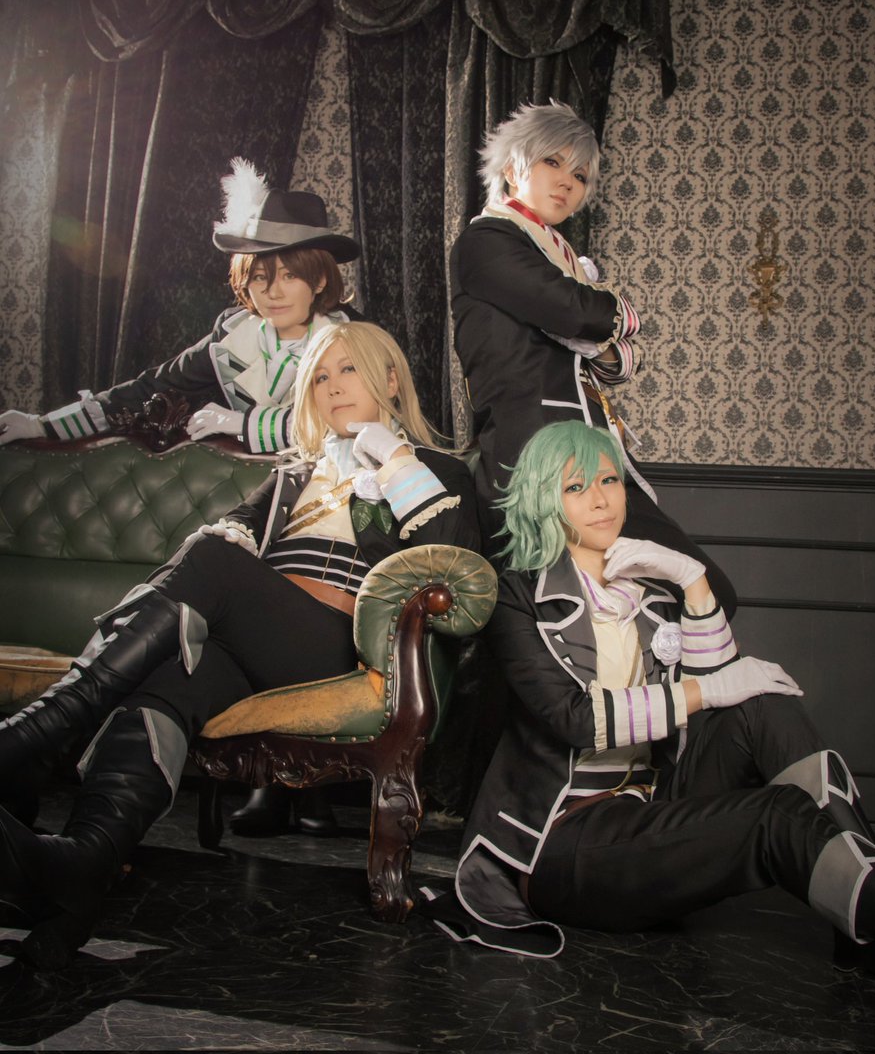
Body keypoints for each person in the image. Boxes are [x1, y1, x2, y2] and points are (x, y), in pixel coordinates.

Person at [0, 322, 480, 969]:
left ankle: (34, 736)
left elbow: (454, 565)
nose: (333, 387)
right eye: (319, 377)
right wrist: (236, 536)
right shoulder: (294, 473)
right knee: (165, 683)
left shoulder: (438, 471)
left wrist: (393, 460)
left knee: (211, 560)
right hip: (254, 643)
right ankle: (82, 867)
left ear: (390, 380)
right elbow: (231, 533)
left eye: (349, 370)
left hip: (336, 650)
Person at [426, 420, 875, 959]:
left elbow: (726, 691)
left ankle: (869, 915)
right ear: (543, 500)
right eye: (575, 487)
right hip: (565, 839)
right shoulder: (515, 596)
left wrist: (692, 579)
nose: (600, 500)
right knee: (776, 814)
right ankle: (874, 912)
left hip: (652, 805)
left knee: (764, 705)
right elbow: (575, 718)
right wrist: (707, 691)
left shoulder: (650, 592)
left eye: (609, 480)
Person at [449, 101, 735, 614]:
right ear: (513, 167)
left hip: (591, 453)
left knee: (696, 594)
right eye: (551, 162)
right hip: (533, 457)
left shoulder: (556, 255)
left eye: (579, 175)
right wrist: (607, 314)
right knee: (553, 613)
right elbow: (576, 311)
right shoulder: (486, 241)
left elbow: (608, 356)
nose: (567, 182)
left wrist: (596, 329)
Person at [0, 158, 362, 456]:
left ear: (319, 280)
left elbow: (354, 421)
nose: (273, 292)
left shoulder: (355, 336)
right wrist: (42, 425)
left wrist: (242, 423)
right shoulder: (233, 334)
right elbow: (147, 389)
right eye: (259, 277)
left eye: (289, 276)